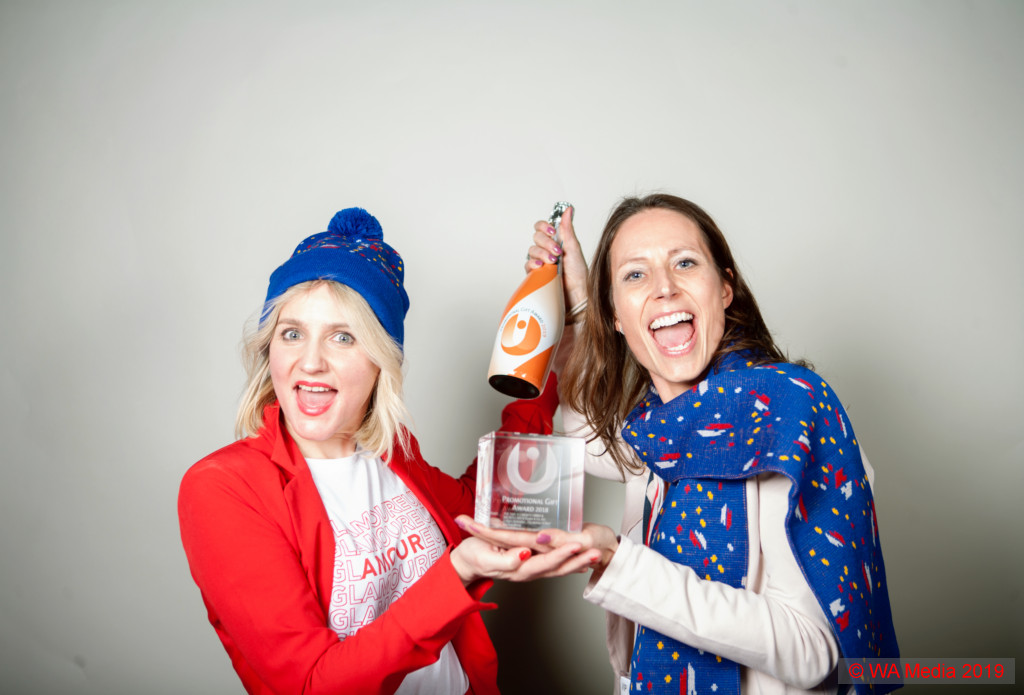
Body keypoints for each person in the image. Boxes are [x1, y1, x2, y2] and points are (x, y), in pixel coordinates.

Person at [459, 194, 900, 694]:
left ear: (725, 288)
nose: (664, 287)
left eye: (685, 263)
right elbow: (587, 433)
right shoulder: (656, 431)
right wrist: (578, 306)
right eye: (635, 275)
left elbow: (814, 652)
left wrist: (618, 562)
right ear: (616, 317)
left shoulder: (793, 416)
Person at [177, 207, 592, 695]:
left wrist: (559, 346)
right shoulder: (223, 488)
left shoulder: (390, 453)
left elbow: (480, 507)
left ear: (382, 358)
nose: (310, 362)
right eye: (292, 333)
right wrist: (457, 573)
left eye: (342, 337)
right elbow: (311, 685)